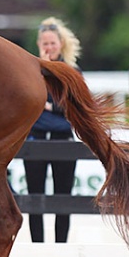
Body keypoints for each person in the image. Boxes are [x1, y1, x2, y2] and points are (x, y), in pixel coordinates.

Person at [23, 17, 81, 243]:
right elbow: (28, 103)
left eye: (52, 43)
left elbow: (73, 106)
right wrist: (50, 105)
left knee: (62, 195)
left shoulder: (71, 70)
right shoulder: (31, 70)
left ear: (61, 44)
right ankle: (38, 246)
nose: (49, 48)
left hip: (63, 139)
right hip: (36, 139)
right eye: (45, 44)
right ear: (39, 45)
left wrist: (49, 106)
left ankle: (61, 246)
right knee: (35, 196)